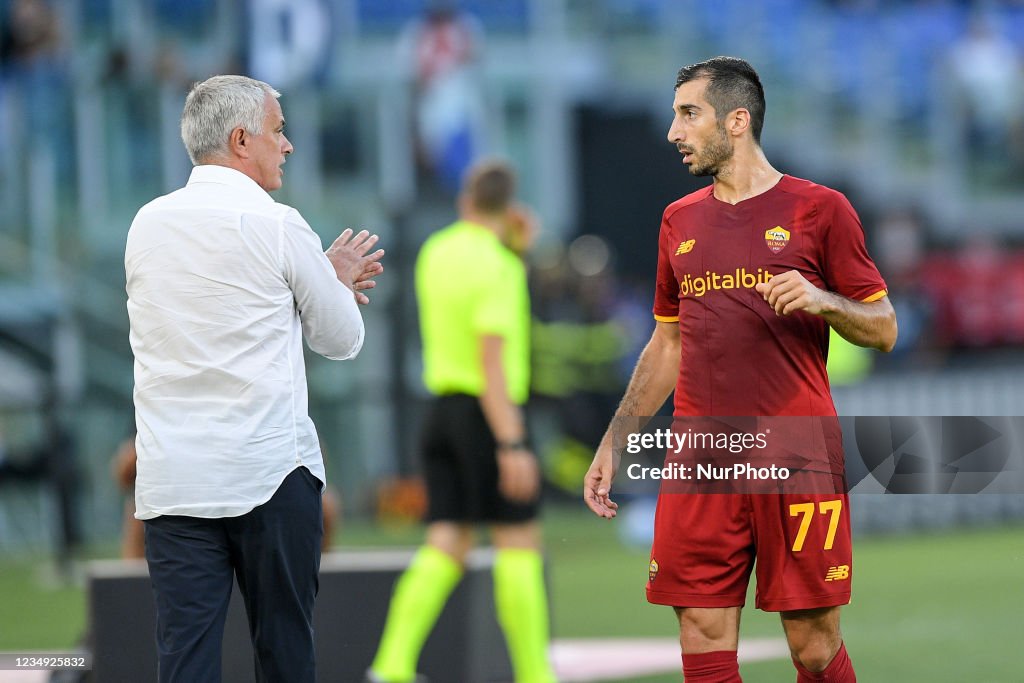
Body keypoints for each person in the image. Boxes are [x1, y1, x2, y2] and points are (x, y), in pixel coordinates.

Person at [583, 57, 897, 683]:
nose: (674, 131)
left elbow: (883, 326)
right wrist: (617, 439)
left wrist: (823, 299)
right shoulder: (680, 220)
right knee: (700, 631)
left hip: (795, 450)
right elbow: (667, 343)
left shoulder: (821, 209)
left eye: (688, 114)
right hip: (704, 452)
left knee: (811, 644)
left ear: (737, 120)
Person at [125, 74, 384, 683]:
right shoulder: (277, 223)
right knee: (285, 653)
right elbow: (341, 339)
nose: (287, 145)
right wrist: (331, 281)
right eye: (278, 130)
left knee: (183, 659)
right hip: (266, 473)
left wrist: (301, 286)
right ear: (242, 140)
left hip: (174, 481)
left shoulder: (146, 224)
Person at [366, 160, 556, 683]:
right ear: (510, 206)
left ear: (466, 200)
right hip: (486, 414)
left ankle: (392, 666)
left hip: (441, 411)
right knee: (518, 542)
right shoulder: (500, 265)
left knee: (446, 542)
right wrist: (512, 442)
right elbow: (491, 361)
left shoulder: (437, 250)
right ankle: (536, 675)